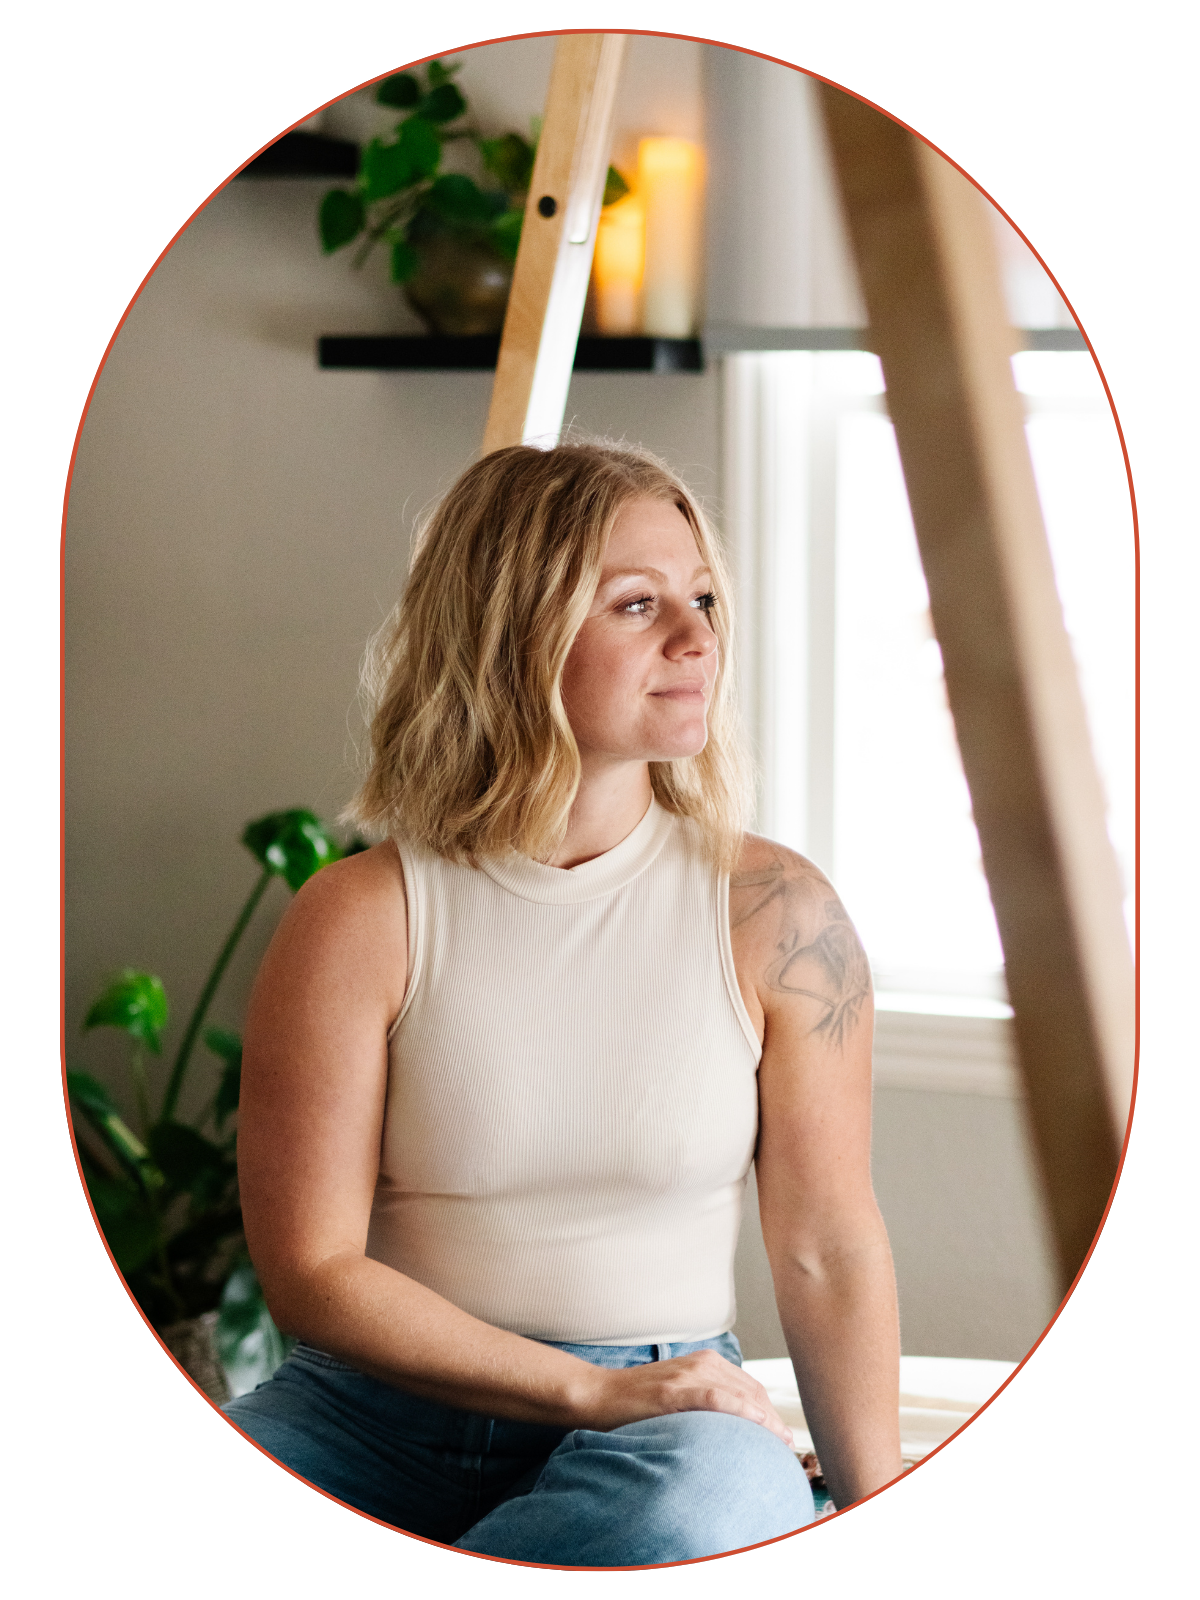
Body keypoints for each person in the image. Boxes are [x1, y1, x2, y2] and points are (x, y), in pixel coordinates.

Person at [226, 440, 902, 1566]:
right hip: (371, 1413)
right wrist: (587, 1391)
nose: (697, 640)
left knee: (687, 1516)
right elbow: (313, 1270)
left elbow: (827, 1242)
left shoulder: (777, 915)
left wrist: (880, 1526)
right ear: (514, 633)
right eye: (639, 604)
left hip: (677, 1405)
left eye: (703, 599)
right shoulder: (358, 918)